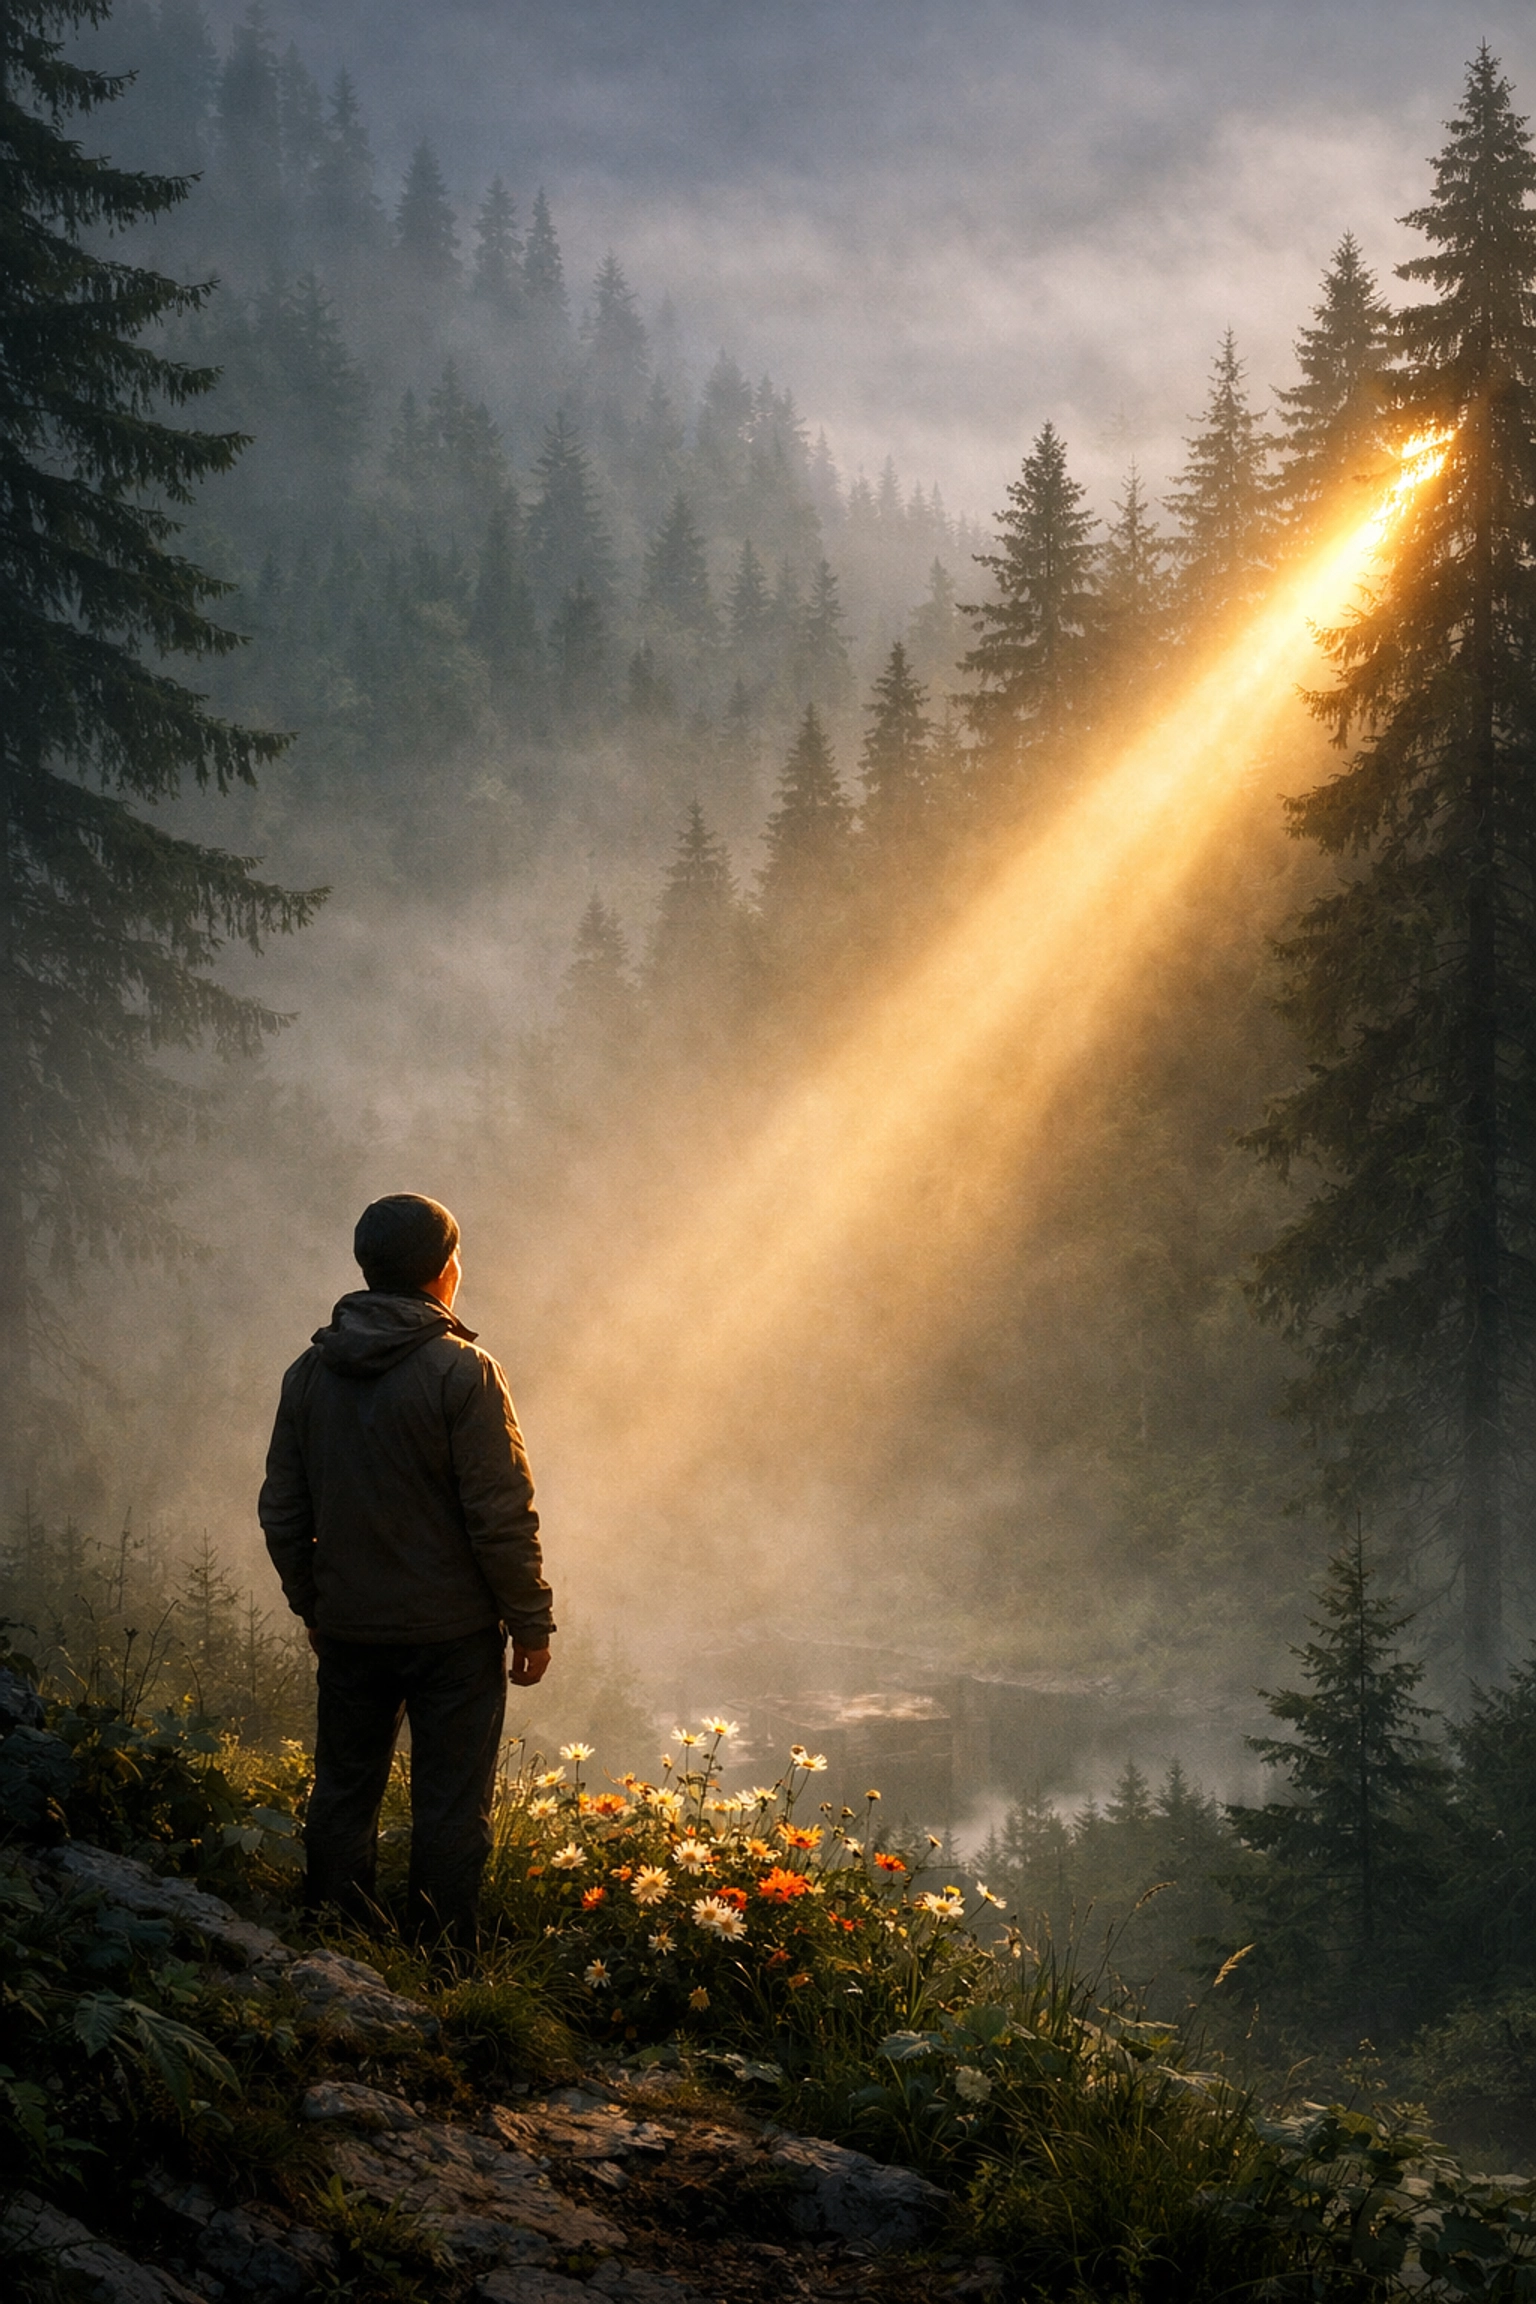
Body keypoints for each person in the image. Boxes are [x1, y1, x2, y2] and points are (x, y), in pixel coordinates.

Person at [260, 1193, 553, 1945]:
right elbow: (500, 1513)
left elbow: (284, 1513)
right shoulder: (465, 1374)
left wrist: (314, 1606)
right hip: (452, 1637)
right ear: (444, 1271)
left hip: (351, 1628)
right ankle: (442, 1969)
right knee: (451, 1808)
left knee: (342, 1795)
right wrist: (530, 1620)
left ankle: (333, 1950)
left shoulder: (308, 1374)